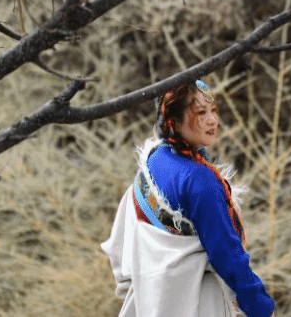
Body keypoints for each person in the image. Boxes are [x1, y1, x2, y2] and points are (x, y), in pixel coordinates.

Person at [101, 78, 275, 317]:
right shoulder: (199, 180)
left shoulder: (156, 158)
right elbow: (227, 254)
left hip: (156, 298)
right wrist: (261, 307)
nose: (213, 120)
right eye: (200, 113)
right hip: (199, 302)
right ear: (173, 120)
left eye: (214, 110)